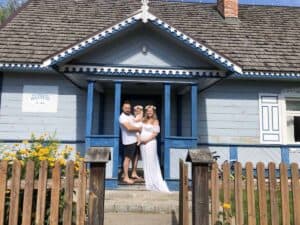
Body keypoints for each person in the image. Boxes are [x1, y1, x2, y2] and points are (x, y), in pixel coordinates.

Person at [140, 105, 170, 192]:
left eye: (151, 111)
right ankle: (147, 179)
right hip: (142, 144)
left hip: (150, 143)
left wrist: (146, 140)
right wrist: (140, 138)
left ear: (153, 112)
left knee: (151, 161)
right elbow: (138, 129)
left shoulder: (155, 121)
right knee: (145, 161)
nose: (149, 112)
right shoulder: (143, 120)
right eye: (148, 111)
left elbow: (155, 134)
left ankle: (153, 180)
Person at [119, 101, 142, 184]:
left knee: (136, 157)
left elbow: (136, 123)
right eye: (126, 108)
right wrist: (139, 129)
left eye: (129, 108)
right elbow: (128, 128)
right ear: (122, 108)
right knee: (127, 158)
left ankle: (134, 173)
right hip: (128, 141)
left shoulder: (131, 116)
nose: (128, 109)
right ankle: (125, 177)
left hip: (136, 140)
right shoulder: (122, 117)